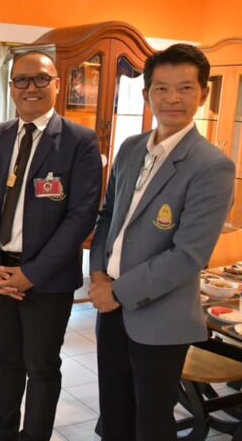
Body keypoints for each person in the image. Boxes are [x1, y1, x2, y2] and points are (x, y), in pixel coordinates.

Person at [89, 44, 234, 441]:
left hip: (160, 317)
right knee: (114, 413)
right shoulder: (130, 148)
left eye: (185, 88)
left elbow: (187, 256)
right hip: (110, 308)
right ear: (146, 94)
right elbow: (108, 217)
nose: (173, 98)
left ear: (203, 94)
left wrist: (117, 291)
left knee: (151, 423)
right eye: (162, 88)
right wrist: (98, 275)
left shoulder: (212, 166)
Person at [0, 51, 103, 441]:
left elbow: (81, 216)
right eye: (22, 80)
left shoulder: (79, 141)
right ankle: (4, 430)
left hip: (47, 279)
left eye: (41, 79)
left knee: (41, 364)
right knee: (6, 356)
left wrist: (32, 274)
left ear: (57, 84)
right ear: (11, 87)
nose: (31, 88)